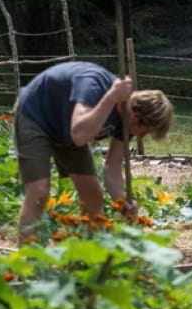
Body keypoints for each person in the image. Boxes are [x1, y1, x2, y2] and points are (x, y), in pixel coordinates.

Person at [13, 61, 173, 239]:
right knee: (39, 191)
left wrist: (122, 201)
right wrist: (111, 98)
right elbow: (80, 135)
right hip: (37, 115)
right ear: (136, 116)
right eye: (144, 132)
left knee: (92, 194)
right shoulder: (94, 84)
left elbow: (112, 167)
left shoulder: (127, 124)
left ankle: (91, 256)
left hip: (69, 129)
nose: (141, 137)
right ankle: (27, 261)